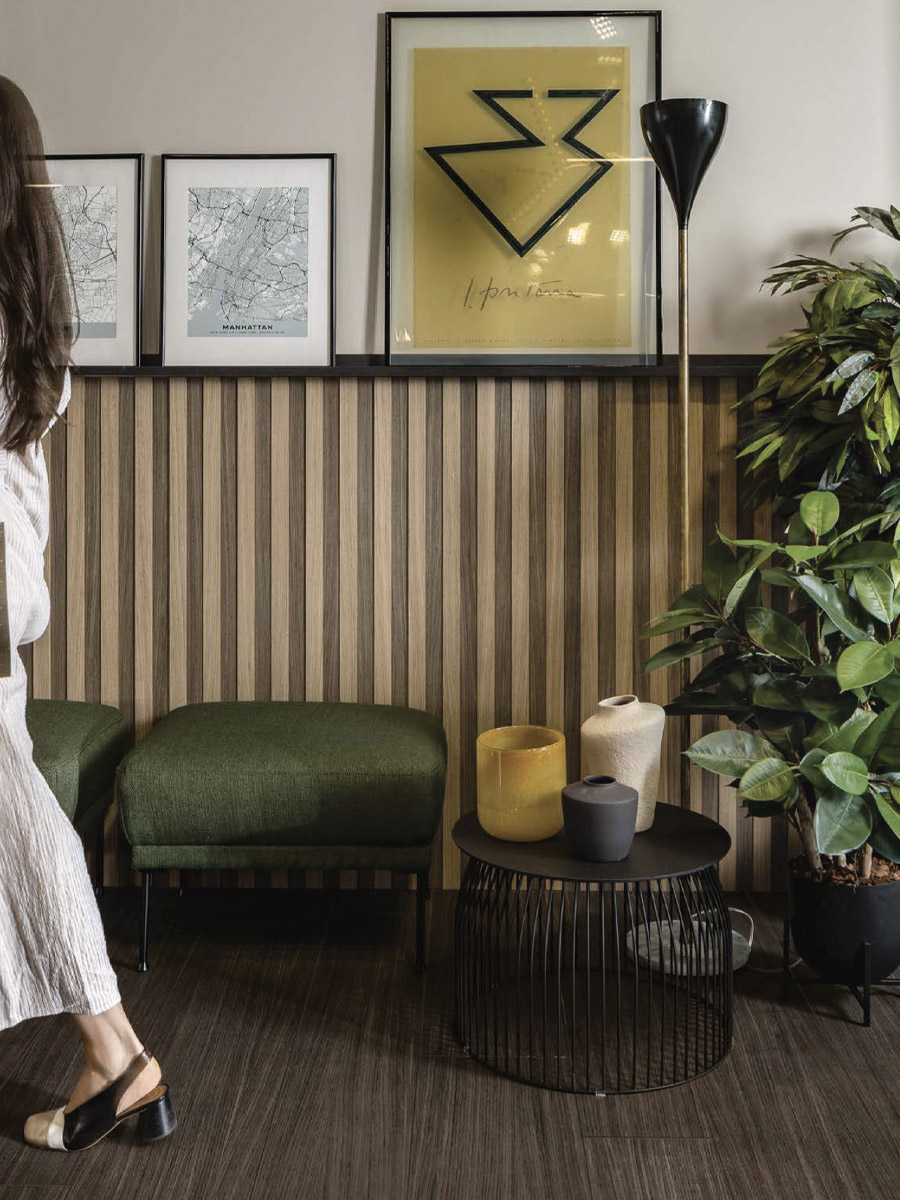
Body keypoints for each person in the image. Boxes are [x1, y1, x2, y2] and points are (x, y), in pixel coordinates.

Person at [0, 75, 174, 1152]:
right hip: (8, 588)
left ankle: (118, 1054)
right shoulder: (27, 313)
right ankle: (120, 1056)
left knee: (17, 815)